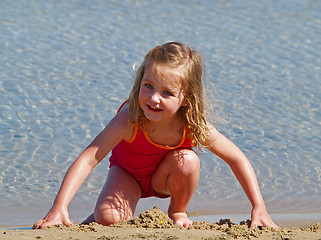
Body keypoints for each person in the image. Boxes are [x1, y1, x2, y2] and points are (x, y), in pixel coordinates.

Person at [33, 42, 278, 229]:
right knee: (109, 219)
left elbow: (237, 159)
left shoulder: (192, 125)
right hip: (127, 175)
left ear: (186, 99)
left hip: (166, 177)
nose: (154, 98)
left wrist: (259, 207)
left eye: (167, 93)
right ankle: (94, 216)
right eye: (148, 86)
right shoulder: (131, 117)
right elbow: (89, 158)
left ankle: (178, 212)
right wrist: (59, 207)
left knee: (188, 159)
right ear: (140, 81)